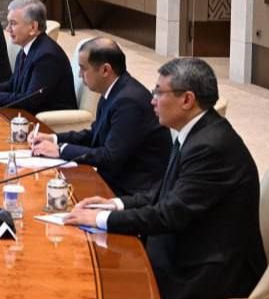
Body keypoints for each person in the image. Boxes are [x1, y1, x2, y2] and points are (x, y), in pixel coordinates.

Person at [65, 57, 267, 299]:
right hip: (192, 247)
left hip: (211, 268)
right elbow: (164, 192)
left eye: (159, 93)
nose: (152, 101)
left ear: (187, 100)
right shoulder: (195, 131)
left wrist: (100, 219)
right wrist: (115, 204)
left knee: (108, 288)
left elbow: (169, 215)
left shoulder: (210, 146)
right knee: (100, 262)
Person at [28, 38, 170, 198]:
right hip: (113, 178)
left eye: (83, 68)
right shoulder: (114, 91)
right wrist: (54, 139)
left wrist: (61, 150)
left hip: (131, 192)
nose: (79, 74)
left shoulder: (129, 101)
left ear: (105, 70)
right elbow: (95, 135)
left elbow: (110, 157)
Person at [0, 0, 76, 114]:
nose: (8, 29)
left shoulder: (47, 56)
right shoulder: (26, 49)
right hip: (27, 115)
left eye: (13, 23)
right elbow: (13, 84)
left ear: (33, 27)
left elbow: (29, 100)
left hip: (49, 120)